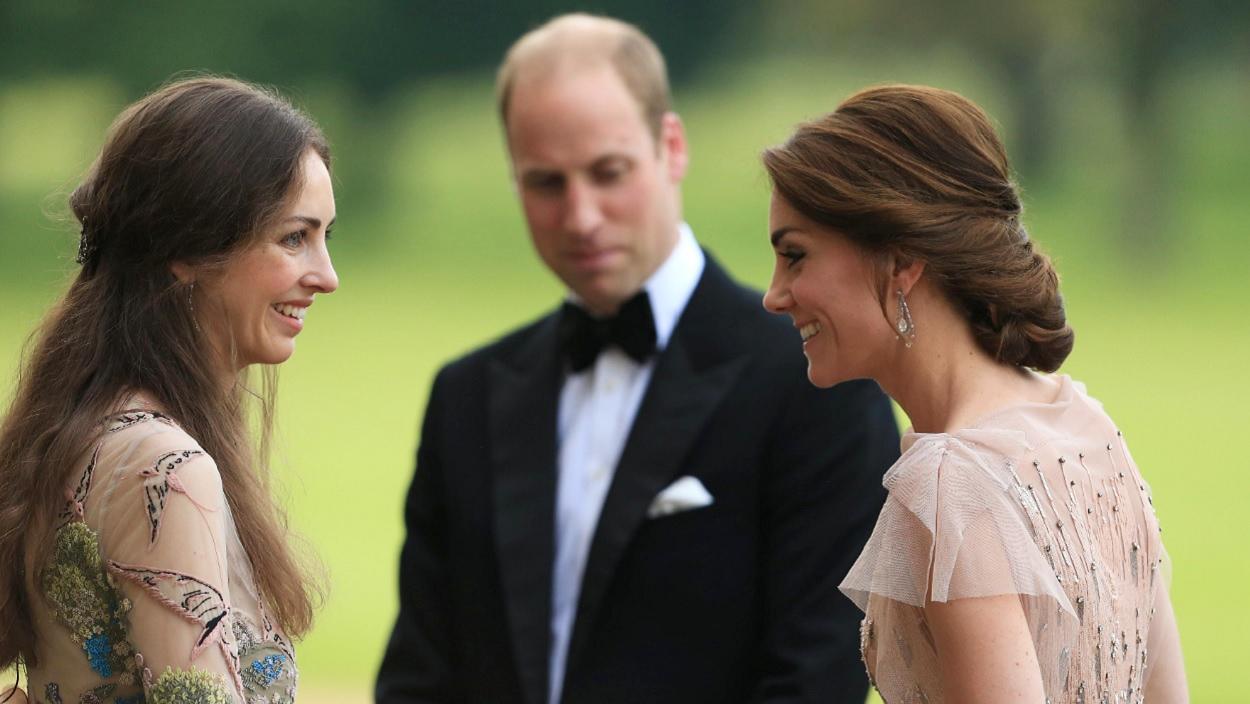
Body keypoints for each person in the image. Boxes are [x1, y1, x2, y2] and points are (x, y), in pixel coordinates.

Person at [375, 13, 900, 704]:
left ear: (671, 146)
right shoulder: (465, 395)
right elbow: (420, 675)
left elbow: (815, 678)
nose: (581, 216)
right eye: (545, 183)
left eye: (608, 172)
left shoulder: (816, 380)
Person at [761, 84, 1189, 703]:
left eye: (795, 257)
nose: (774, 295)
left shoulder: (950, 482)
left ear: (901, 260)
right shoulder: (1084, 425)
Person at [0, 76, 338, 703]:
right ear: (188, 250)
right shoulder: (164, 465)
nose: (327, 276)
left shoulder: (88, 425)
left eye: (325, 237)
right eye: (294, 238)